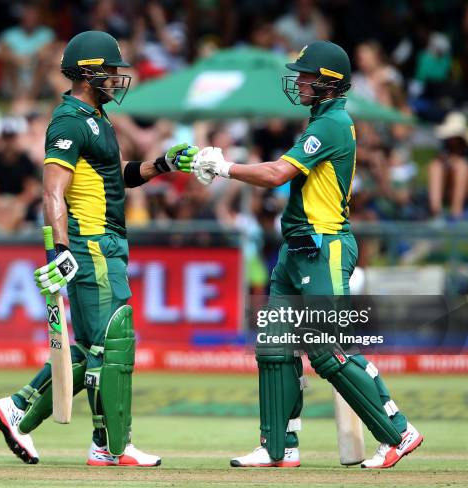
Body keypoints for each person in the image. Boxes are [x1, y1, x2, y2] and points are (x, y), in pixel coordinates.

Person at [190, 41, 423, 469]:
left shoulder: (333, 124)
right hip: (295, 250)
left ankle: (398, 431)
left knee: (327, 349)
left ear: (329, 82)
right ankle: (278, 449)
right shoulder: (319, 121)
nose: (297, 81)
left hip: (324, 246)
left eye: (305, 75)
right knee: (275, 347)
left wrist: (226, 167)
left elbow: (278, 173)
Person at [0, 30, 197, 467]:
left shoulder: (96, 119)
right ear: (87, 74)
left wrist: (160, 165)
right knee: (113, 344)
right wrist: (60, 249)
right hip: (90, 243)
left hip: (105, 240)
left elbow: (112, 175)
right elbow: (52, 192)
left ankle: (20, 408)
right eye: (109, 72)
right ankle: (111, 446)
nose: (116, 79)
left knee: (89, 349)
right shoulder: (68, 120)